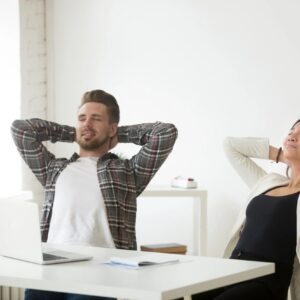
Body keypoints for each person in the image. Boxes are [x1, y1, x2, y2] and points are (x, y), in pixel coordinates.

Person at [11, 89, 178, 300]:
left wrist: (115, 133)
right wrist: (75, 132)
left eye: (96, 118)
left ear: (112, 128)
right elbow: (21, 130)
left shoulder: (127, 172)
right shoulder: (53, 169)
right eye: (82, 118)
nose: (87, 123)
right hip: (49, 270)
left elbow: (165, 133)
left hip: (101, 273)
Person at [190, 119, 300, 300]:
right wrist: (283, 156)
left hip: (266, 283)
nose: (292, 136)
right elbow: (231, 146)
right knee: (177, 295)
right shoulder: (267, 182)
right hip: (232, 272)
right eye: (291, 130)